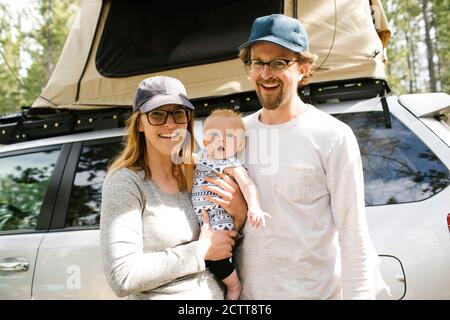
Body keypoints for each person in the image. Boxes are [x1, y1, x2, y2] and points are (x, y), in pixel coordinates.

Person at [228, 14, 389, 299]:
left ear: (303, 68)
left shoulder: (332, 136)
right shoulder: (237, 135)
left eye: (279, 62)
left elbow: (354, 237)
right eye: (258, 62)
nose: (266, 74)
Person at [100, 76, 247, 300]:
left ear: (188, 120)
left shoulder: (200, 170)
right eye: (157, 114)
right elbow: (122, 276)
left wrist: (240, 215)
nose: (170, 124)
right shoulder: (125, 182)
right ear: (139, 123)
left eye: (178, 113)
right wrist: (200, 251)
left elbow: (224, 240)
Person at [191, 109, 271, 300]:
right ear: (205, 142)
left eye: (229, 136)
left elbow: (248, 185)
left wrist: (254, 207)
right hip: (203, 225)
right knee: (209, 262)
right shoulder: (200, 157)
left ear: (240, 144)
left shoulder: (232, 165)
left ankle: (234, 288)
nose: (221, 140)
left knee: (217, 261)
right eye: (215, 135)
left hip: (220, 225)